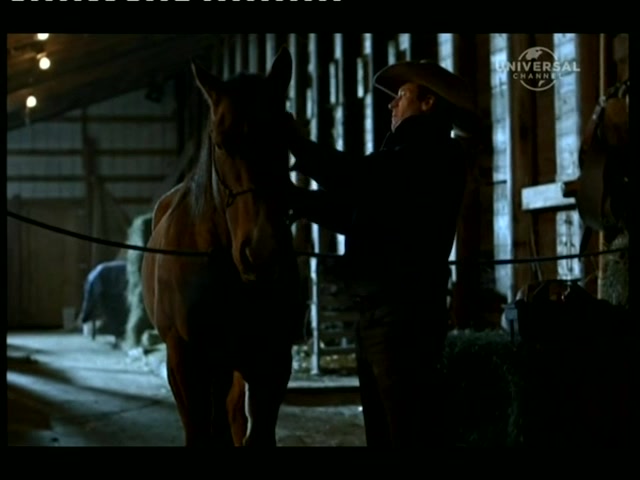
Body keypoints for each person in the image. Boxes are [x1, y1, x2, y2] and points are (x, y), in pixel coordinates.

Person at [284, 59, 478, 447]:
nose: (392, 104)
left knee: (404, 431)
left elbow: (358, 178)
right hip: (379, 316)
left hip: (403, 318)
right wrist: (296, 199)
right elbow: (355, 212)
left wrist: (298, 144)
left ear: (428, 103)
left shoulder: (435, 153)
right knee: (383, 431)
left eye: (402, 95)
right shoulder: (409, 156)